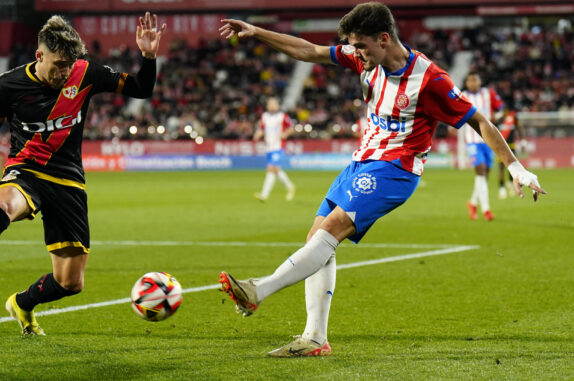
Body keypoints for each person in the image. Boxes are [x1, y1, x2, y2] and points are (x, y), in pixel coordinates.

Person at [217, 2, 546, 357]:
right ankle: (315, 338)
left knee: (332, 229)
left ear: (384, 39)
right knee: (317, 239)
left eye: (360, 45)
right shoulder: (364, 58)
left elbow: (479, 120)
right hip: (360, 163)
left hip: (395, 170)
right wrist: (257, 32)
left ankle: (257, 291)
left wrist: (516, 168)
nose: (354, 52)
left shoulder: (431, 80)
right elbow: (310, 51)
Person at [0, 13, 166, 335]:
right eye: (59, 64)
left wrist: (148, 57)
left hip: (68, 181)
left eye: (70, 64)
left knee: (71, 282)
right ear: (40, 56)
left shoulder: (85, 74)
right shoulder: (6, 85)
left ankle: (23, 302)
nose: (65, 72)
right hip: (26, 171)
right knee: (3, 208)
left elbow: (141, 88)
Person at [461, 72, 504, 220]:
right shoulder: (461, 95)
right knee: (480, 172)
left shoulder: (488, 93)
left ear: (480, 81)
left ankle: (472, 203)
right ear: (466, 83)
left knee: (484, 176)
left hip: (487, 140)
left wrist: (495, 117)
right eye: (469, 80)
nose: (472, 83)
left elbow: (501, 108)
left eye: (475, 79)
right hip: (472, 140)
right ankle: (486, 210)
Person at [253, 97, 296, 201]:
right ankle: (290, 186)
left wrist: (286, 133)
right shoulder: (265, 116)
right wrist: (257, 135)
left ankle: (264, 195)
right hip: (269, 147)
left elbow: (292, 127)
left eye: (274, 103)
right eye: (270, 104)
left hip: (278, 146)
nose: (271, 105)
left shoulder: (283, 116)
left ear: (278, 105)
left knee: (271, 168)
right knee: (276, 169)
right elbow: (262, 128)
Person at [496, 109, 525, 199]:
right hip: (502, 147)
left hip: (512, 146)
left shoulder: (513, 118)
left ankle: (510, 183)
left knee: (512, 167)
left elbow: (519, 129)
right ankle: (502, 188)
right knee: (501, 167)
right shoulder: (499, 120)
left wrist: (523, 141)